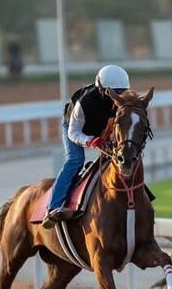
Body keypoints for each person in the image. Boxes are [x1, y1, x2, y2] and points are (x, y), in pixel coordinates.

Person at [42, 64, 130, 229]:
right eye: (115, 94)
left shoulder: (123, 100)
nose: (120, 98)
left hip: (100, 128)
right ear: (102, 90)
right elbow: (74, 133)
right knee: (76, 160)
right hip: (74, 127)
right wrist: (91, 141)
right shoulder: (86, 102)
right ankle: (53, 208)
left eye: (122, 92)